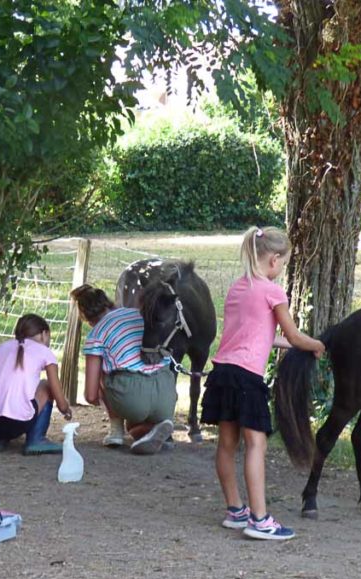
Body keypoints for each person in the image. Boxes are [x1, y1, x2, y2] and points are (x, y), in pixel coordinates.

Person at [201, 226, 326, 541]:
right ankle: (259, 519)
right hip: (247, 377)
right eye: (283, 263)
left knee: (227, 444)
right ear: (274, 259)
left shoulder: (238, 287)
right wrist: (316, 345)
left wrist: (296, 345)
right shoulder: (272, 291)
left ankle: (235, 510)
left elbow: (259, 335)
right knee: (256, 444)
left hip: (223, 372)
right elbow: (293, 335)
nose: (281, 269)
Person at [70, 284, 176, 455]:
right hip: (166, 391)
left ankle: (116, 431)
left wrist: (103, 399)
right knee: (135, 422)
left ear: (85, 317)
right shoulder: (138, 314)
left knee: (104, 371)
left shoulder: (96, 334)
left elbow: (90, 395)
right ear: (108, 302)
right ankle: (158, 427)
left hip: (131, 394)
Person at [0, 314, 72, 454]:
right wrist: (66, 409)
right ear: (44, 334)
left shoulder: (0, 348)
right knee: (46, 385)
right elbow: (58, 397)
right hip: (17, 424)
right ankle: (36, 439)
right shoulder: (45, 352)